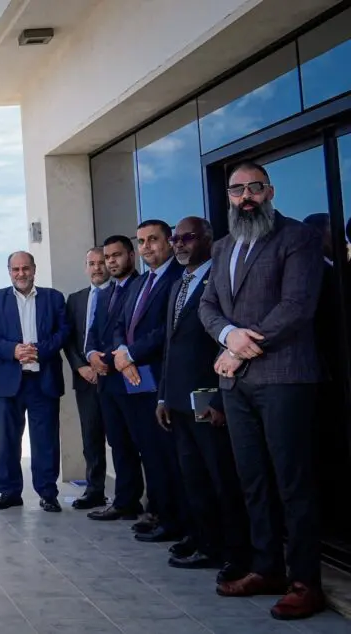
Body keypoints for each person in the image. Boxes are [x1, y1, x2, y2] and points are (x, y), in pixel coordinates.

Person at [200, 161, 326, 620]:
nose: (246, 197)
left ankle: (305, 582)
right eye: (237, 191)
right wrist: (227, 335)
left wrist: (240, 349)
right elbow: (208, 305)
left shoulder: (297, 238)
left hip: (284, 377)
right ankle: (267, 567)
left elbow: (296, 306)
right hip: (236, 385)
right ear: (229, 198)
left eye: (255, 188)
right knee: (252, 479)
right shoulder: (222, 246)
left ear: (270, 192)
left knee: (293, 482)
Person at [155, 217, 250, 583]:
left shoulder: (221, 280)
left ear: (208, 240)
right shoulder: (178, 284)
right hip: (179, 402)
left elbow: (226, 343)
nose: (179, 244)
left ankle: (234, 551)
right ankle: (204, 540)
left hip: (210, 401)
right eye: (175, 239)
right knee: (194, 478)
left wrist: (221, 401)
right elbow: (170, 346)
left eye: (188, 238)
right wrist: (163, 396)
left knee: (222, 479)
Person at [112, 219, 185, 543]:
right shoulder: (141, 282)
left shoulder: (178, 277)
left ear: (169, 241)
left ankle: (177, 521)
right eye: (141, 241)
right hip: (136, 380)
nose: (146, 247)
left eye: (153, 239)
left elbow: (167, 329)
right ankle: (159, 513)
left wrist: (130, 354)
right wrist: (121, 354)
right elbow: (120, 324)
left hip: (164, 378)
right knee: (150, 453)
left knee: (169, 455)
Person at [0, 251, 68, 512]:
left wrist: (39, 350)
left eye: (25, 268)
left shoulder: (53, 298)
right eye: (15, 269)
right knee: (7, 440)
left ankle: (47, 493)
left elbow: (63, 331)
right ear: (9, 271)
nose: (21, 273)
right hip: (9, 381)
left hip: (43, 380)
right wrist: (13, 350)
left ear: (34, 269)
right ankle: (9, 492)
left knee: (45, 441)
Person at [85, 235, 145, 524]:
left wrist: (107, 359)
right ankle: (125, 502)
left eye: (116, 256)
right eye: (107, 257)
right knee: (119, 445)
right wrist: (91, 355)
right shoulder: (104, 293)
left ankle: (158, 508)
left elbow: (134, 333)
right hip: (108, 382)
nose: (110, 262)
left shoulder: (142, 286)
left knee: (144, 445)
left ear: (131, 256)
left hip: (134, 379)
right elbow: (93, 333)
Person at [63, 248, 110, 509]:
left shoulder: (120, 293)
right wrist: (80, 366)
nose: (97, 268)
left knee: (122, 439)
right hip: (85, 380)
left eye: (101, 262)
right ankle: (94, 490)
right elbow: (68, 339)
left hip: (114, 377)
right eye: (91, 263)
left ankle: (129, 494)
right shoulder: (76, 299)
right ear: (85, 267)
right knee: (91, 438)